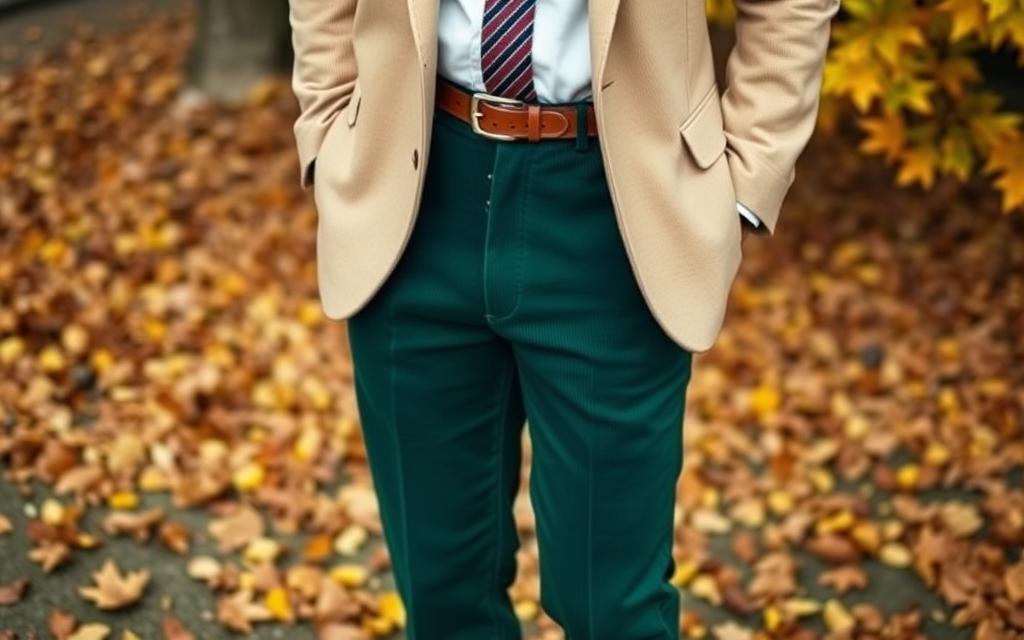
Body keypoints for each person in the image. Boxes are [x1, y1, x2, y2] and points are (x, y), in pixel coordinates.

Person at [286, 0, 838, 637]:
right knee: (440, 594)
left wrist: (746, 184)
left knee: (611, 607)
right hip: (412, 190)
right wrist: (325, 122)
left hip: (617, 207)